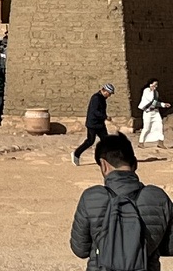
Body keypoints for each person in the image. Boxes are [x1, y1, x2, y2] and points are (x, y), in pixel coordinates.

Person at [70, 133, 173, 269]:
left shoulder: (91, 197)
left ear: (103, 165)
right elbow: (170, 247)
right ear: (135, 163)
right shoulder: (158, 197)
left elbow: (80, 249)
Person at [73, 83, 114, 166]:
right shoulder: (96, 98)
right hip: (93, 124)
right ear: (105, 91)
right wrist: (105, 117)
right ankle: (76, 154)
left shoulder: (102, 98)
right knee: (90, 141)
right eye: (109, 93)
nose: (109, 96)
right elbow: (95, 112)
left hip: (100, 124)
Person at [139, 79, 170, 147]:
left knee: (159, 126)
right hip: (148, 112)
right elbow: (151, 100)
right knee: (146, 128)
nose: (156, 86)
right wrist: (162, 104)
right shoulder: (146, 91)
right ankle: (141, 142)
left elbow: (155, 102)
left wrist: (163, 104)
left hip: (155, 112)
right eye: (155, 84)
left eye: (156, 85)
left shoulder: (156, 92)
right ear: (150, 84)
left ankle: (160, 142)